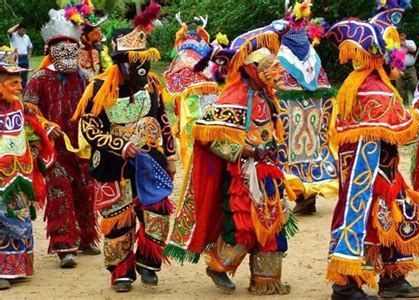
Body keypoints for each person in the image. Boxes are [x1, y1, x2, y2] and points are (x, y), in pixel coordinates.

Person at [165, 19, 298, 295]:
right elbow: (208, 135)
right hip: (243, 173)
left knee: (273, 223)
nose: (275, 72)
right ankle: (218, 265)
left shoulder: (266, 96)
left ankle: (266, 280)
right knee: (245, 226)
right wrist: (246, 151)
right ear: (252, 70)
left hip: (269, 171)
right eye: (268, 68)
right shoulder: (235, 95)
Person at [324, 1, 419, 299]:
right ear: (383, 58)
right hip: (369, 169)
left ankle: (392, 278)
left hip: (373, 165)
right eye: (395, 57)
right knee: (368, 216)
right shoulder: (377, 89)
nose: (400, 62)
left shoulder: (358, 82)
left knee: (391, 211)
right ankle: (346, 285)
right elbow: (400, 129)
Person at [72, 2, 176, 293]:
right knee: (118, 219)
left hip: (150, 159)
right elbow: (89, 126)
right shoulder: (98, 88)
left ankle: (148, 262)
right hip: (112, 165)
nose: (141, 68)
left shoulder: (153, 85)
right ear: (121, 63)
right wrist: (118, 145)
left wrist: (170, 156)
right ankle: (121, 272)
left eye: (145, 61)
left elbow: (163, 120)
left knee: (156, 211)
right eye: (135, 62)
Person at [23, 8, 100, 269]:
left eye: (72, 48)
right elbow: (29, 110)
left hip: (81, 145)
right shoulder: (40, 79)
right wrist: (45, 126)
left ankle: (88, 237)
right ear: (51, 52)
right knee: (60, 191)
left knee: (86, 190)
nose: (68, 53)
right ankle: (65, 245)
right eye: (62, 49)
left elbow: (93, 107)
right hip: (54, 147)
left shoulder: (83, 77)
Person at [275, 1, 338, 215]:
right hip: (314, 120)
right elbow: (328, 97)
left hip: (291, 123)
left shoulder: (282, 60)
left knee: (287, 150)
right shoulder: (315, 61)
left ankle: (301, 195)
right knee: (313, 149)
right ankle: (307, 195)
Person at [0, 46, 54, 290]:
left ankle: (18, 267)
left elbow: (33, 131)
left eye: (20, 82)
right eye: (13, 83)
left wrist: (41, 142)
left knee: (20, 216)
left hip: (19, 174)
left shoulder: (21, 108)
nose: (20, 87)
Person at [163, 13, 220, 170]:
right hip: (205, 91)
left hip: (192, 94)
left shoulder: (182, 51)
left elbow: (173, 55)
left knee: (190, 126)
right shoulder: (205, 52)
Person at [7, 23, 32, 91]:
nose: (23, 30)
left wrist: (29, 56)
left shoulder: (27, 37)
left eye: (24, 29)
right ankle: (14, 89)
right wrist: (17, 25)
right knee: (14, 74)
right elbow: (9, 31)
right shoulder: (13, 36)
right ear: (17, 29)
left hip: (24, 57)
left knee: (24, 74)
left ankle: (23, 89)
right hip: (14, 57)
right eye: (21, 28)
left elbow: (30, 47)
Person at [395, 28, 418, 104]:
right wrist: (406, 51)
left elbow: (413, 49)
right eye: (399, 35)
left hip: (410, 68)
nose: (401, 37)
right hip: (399, 69)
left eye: (402, 35)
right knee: (400, 88)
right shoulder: (394, 45)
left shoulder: (410, 42)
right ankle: (405, 104)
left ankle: (416, 102)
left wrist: (404, 46)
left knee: (414, 85)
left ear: (405, 35)